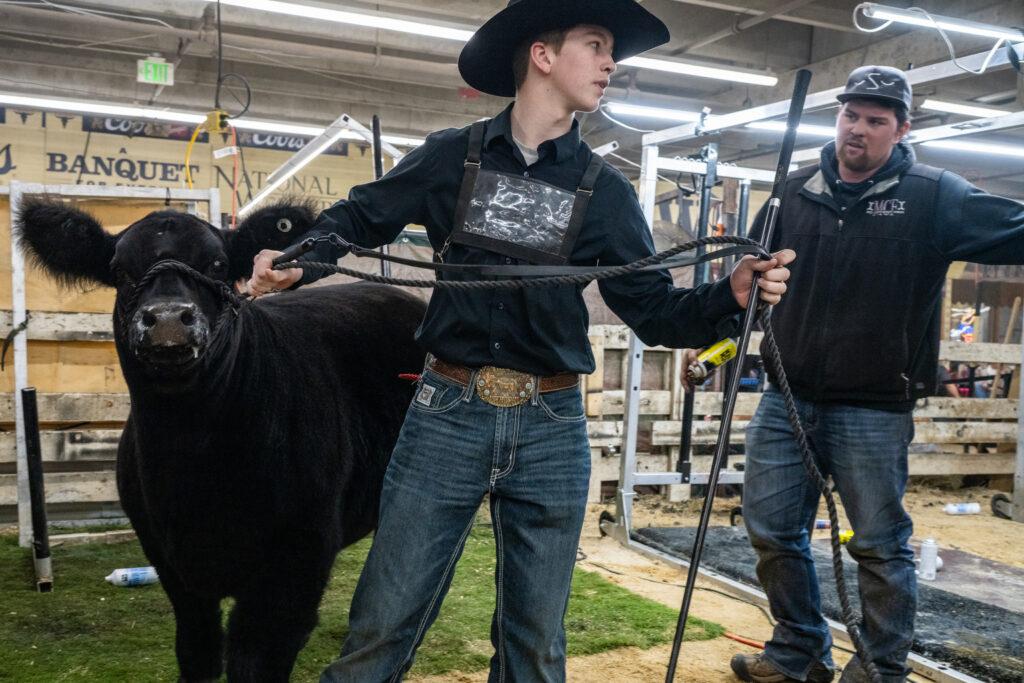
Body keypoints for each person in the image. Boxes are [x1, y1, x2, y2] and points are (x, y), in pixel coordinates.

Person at [250, 1, 794, 680]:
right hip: (447, 414)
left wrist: (729, 295)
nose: (610, 63)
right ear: (543, 54)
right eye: (596, 46)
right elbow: (362, 216)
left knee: (535, 646)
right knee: (381, 625)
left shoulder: (605, 192)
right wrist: (303, 257)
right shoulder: (452, 156)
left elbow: (653, 313)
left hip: (552, 426)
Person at [725, 65, 1024, 683]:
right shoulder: (794, 189)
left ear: (902, 127)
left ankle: (880, 669)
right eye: (850, 116)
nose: (857, 130)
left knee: (878, 546)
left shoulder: (935, 195)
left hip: (874, 407)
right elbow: (748, 282)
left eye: (875, 120)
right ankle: (798, 653)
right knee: (772, 531)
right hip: (786, 398)